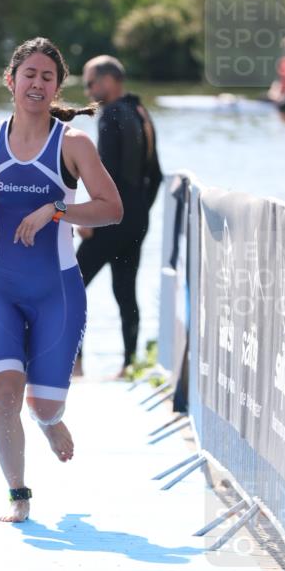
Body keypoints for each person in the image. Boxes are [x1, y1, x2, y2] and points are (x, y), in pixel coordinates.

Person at [0, 36, 123, 523]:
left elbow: (113, 208)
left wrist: (58, 208)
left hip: (56, 291)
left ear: (57, 86)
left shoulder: (74, 144)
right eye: (29, 75)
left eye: (47, 77)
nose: (37, 84)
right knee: (3, 391)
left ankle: (50, 421)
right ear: (11, 81)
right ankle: (17, 494)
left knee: (41, 405)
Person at [75, 54, 162, 377]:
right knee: (126, 291)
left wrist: (89, 218)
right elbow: (157, 176)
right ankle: (129, 364)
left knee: (69, 285)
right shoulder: (141, 112)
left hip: (110, 221)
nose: (88, 91)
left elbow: (105, 174)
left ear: (108, 81)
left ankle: (76, 364)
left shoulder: (110, 115)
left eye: (90, 83)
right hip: (137, 221)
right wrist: (137, 213)